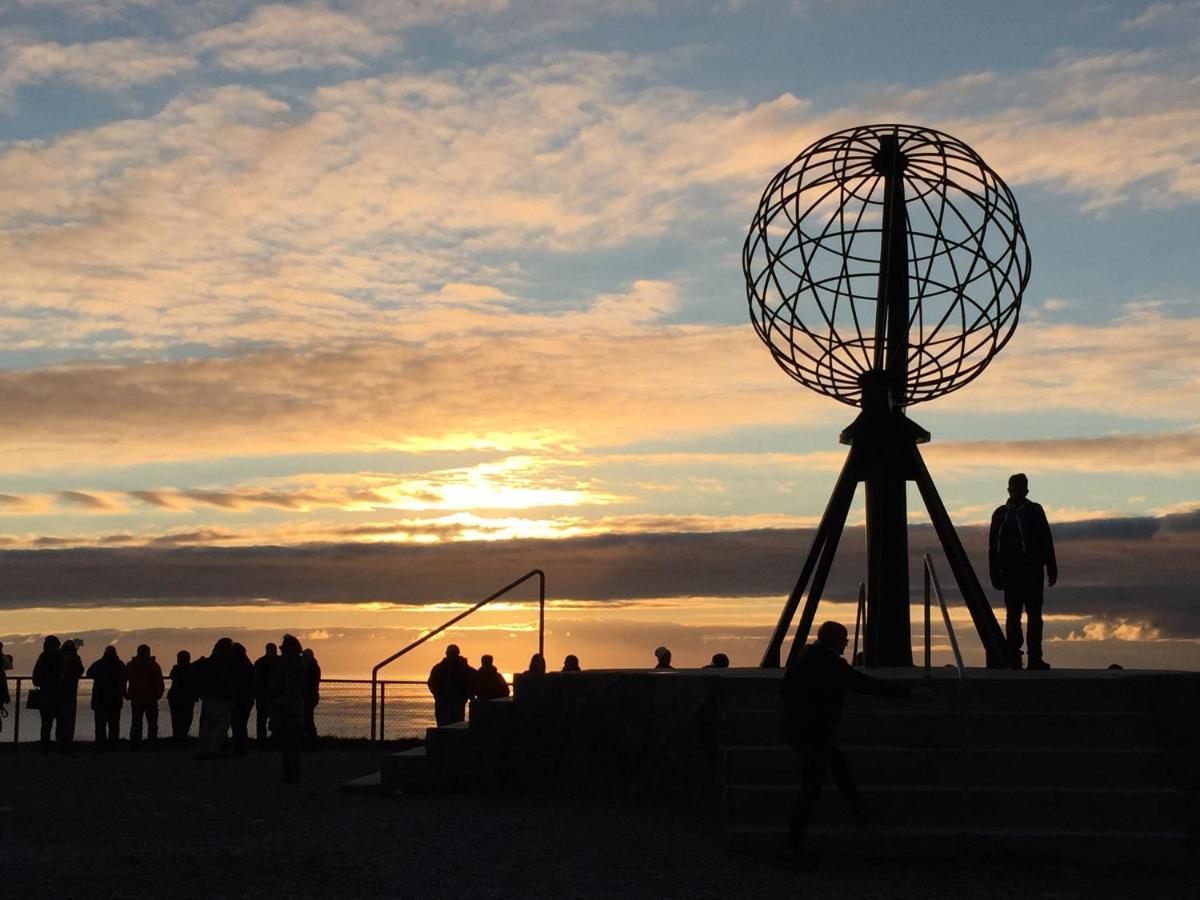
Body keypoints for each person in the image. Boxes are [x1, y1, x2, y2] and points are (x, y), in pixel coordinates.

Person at [780, 621, 910, 860]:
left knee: (835, 761)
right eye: (845, 641)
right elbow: (865, 684)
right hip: (813, 731)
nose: (847, 645)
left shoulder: (804, 657)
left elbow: (785, 688)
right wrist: (907, 692)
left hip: (798, 728)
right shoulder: (831, 665)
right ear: (836, 641)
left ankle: (858, 808)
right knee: (811, 789)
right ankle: (793, 844)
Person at [989, 473, 1058, 670]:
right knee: (1023, 616)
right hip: (1022, 572)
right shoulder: (1015, 512)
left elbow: (1045, 540)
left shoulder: (1012, 513)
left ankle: (1024, 657)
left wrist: (995, 574)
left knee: (1022, 616)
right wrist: (1051, 568)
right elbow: (993, 547)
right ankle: (1024, 657)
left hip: (1022, 572)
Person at [266, 634, 308, 784]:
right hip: (292, 708)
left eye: (283, 644)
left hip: (285, 709)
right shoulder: (298, 664)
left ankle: (290, 774)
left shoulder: (288, 665)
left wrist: (275, 704)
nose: (281, 647)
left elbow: (288, 689)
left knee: (287, 743)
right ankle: (293, 773)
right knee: (293, 743)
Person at [195, 638, 235, 758]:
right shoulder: (220, 662)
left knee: (210, 723)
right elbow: (223, 682)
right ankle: (213, 748)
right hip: (217, 697)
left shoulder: (210, 661)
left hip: (209, 696)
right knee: (223, 721)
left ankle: (204, 749)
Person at [124, 644, 165, 749]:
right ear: (148, 652)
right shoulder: (153, 665)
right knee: (152, 723)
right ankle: (152, 744)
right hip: (150, 698)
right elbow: (159, 682)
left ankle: (135, 744)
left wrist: (126, 694)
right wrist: (158, 695)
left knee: (136, 722)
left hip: (136, 697)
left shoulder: (131, 665)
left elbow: (123, 680)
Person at [427, 645, 476, 726]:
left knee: (452, 725)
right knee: (451, 725)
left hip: (454, 701)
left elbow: (431, 683)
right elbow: (431, 683)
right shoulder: (440, 668)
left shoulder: (439, 668)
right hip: (446, 701)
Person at [87, 646, 125, 750]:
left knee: (100, 725)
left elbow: (89, 673)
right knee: (114, 725)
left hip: (100, 699)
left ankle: (100, 745)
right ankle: (113, 745)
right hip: (115, 700)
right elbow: (124, 678)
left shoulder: (98, 664)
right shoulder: (119, 664)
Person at [32, 635, 63, 753]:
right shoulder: (59, 657)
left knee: (46, 723)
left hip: (45, 694)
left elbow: (36, 677)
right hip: (58, 694)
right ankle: (59, 746)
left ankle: (45, 746)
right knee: (59, 722)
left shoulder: (42, 658)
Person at [58, 640, 84, 752]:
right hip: (71, 692)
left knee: (60, 719)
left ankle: (60, 742)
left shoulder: (58, 658)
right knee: (70, 718)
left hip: (58, 692)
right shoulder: (75, 658)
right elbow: (81, 670)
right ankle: (68, 742)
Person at [167, 650, 197, 745]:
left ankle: (178, 737)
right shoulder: (191, 668)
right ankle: (182, 736)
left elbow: (172, 677)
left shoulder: (176, 669)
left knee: (176, 718)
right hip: (188, 697)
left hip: (176, 697)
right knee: (186, 718)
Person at [231, 643, 256, 755]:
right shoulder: (248, 664)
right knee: (241, 724)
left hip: (239, 698)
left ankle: (239, 747)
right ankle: (241, 747)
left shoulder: (236, 665)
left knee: (237, 724)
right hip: (247, 698)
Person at [252, 643, 279, 745]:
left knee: (261, 720)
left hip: (262, 695)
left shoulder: (259, 662)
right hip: (272, 695)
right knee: (274, 719)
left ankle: (261, 740)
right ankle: (274, 740)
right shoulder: (279, 662)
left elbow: (255, 680)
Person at [302, 648, 321, 748]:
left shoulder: (311, 667)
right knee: (307, 719)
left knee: (308, 720)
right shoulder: (313, 666)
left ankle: (313, 742)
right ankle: (311, 742)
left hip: (309, 697)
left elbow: (308, 684)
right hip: (311, 696)